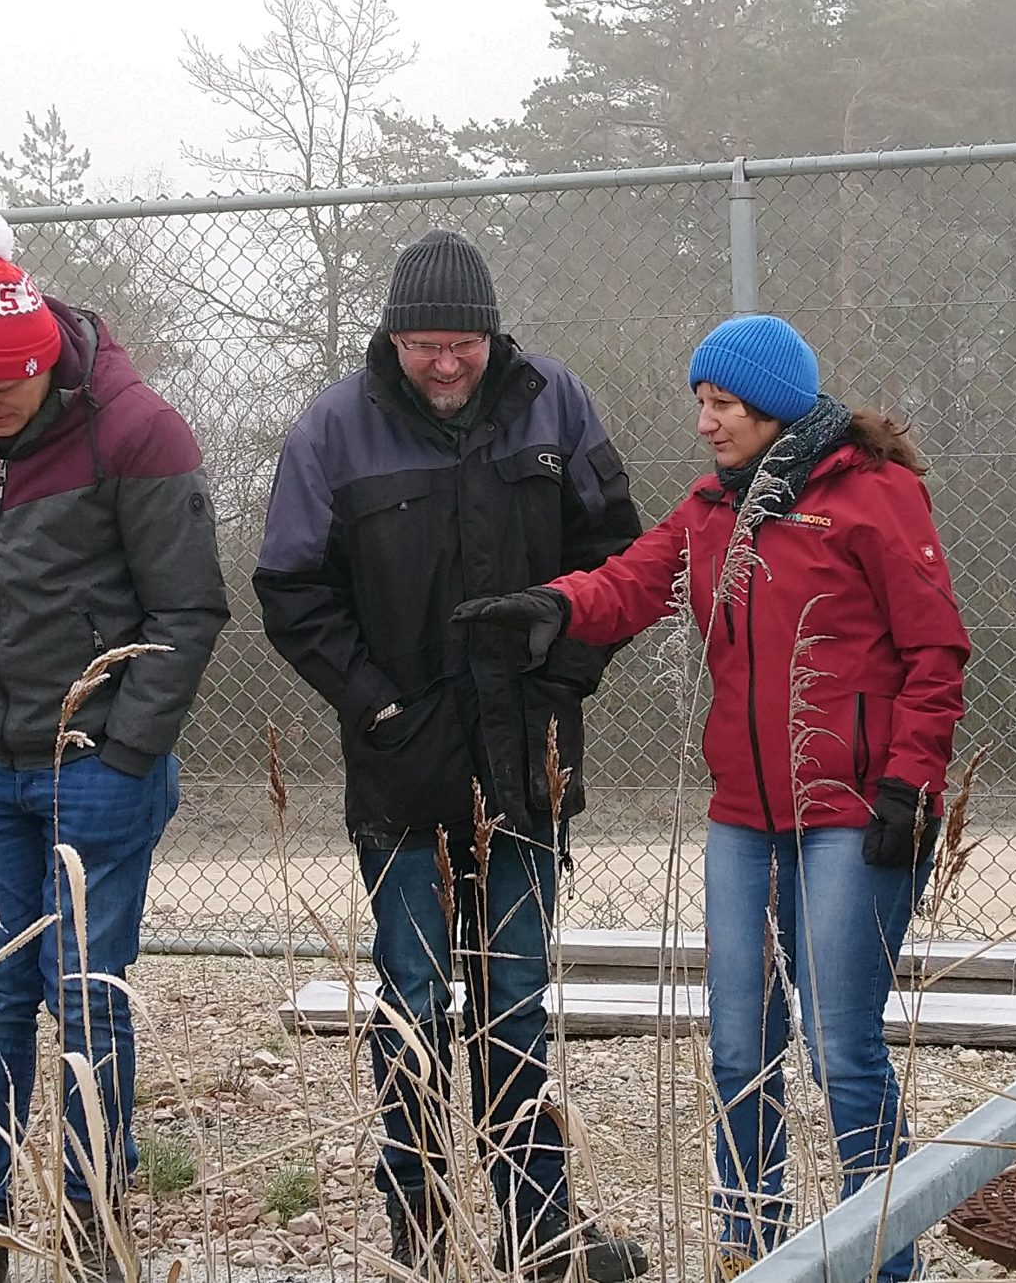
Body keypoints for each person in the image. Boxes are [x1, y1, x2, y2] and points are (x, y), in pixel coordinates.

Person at [457, 312, 969, 1283]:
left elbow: (934, 646)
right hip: (744, 812)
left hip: (852, 813)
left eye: (721, 404)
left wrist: (912, 777)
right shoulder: (711, 507)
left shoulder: (872, 496)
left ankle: (883, 1254)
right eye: (699, 402)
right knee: (737, 1044)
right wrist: (554, 605)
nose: (704, 422)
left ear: (774, 407)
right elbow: (633, 581)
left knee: (841, 1046)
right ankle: (750, 1241)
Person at [254, 228, 648, 1282]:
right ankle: (420, 1232)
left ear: (491, 334)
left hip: (527, 765)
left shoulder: (554, 403)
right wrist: (377, 707)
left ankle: (538, 1231)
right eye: (423, 343)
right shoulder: (333, 428)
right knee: (416, 1002)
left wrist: (564, 675)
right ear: (391, 335)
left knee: (516, 998)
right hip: (401, 772)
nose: (443, 363)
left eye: (461, 344)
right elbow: (289, 589)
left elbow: (621, 557)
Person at [0, 214, 227, 1283]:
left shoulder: (137, 430)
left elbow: (188, 606)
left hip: (95, 764)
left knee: (86, 986)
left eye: (5, 391)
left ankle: (94, 1212)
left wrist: (125, 752)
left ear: (47, 362)